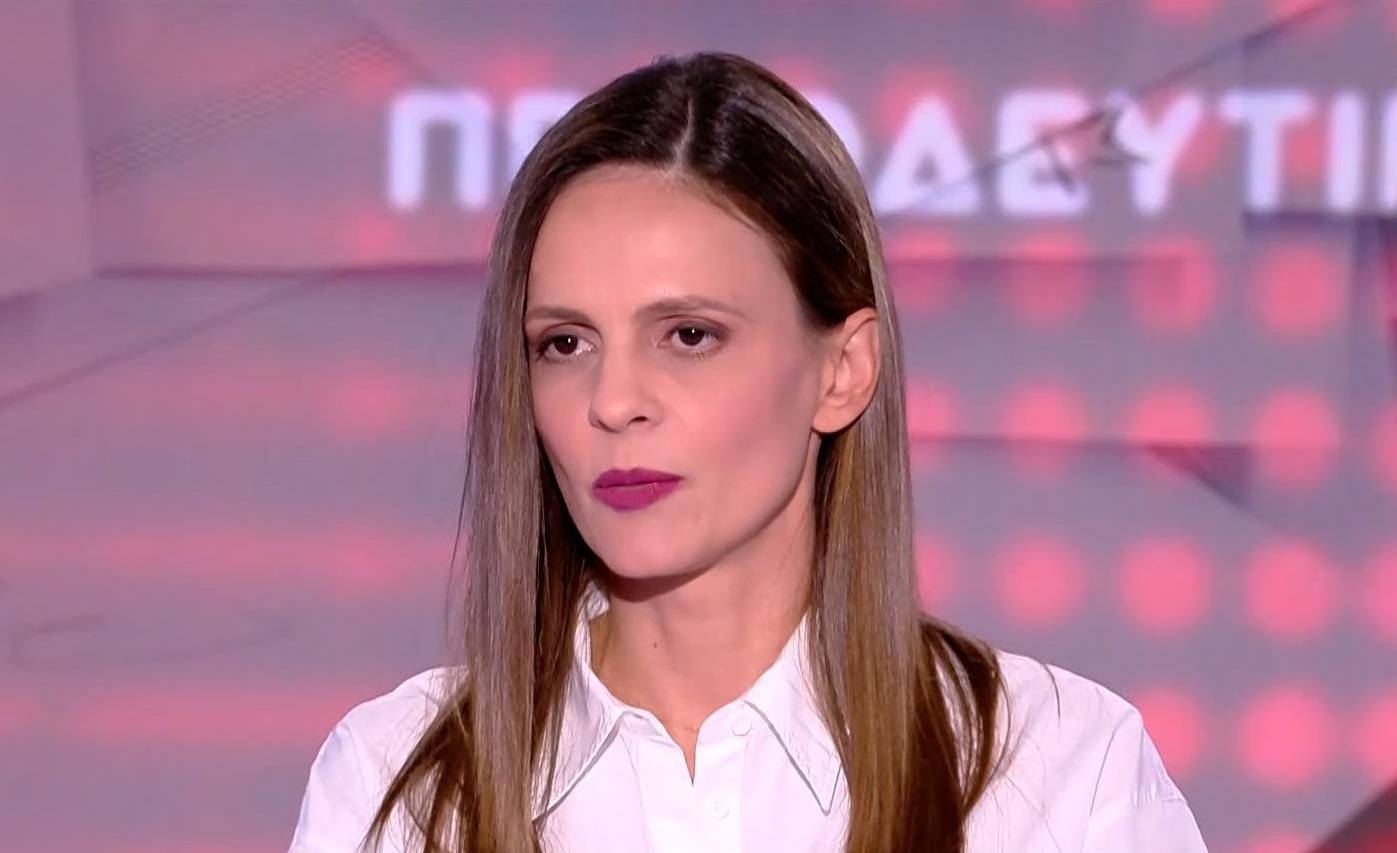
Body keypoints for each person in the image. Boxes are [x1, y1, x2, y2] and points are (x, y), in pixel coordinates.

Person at [288, 50, 1209, 853]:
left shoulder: (1057, 772)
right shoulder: (395, 784)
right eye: (564, 343)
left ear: (843, 370)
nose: (612, 401)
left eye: (688, 335)